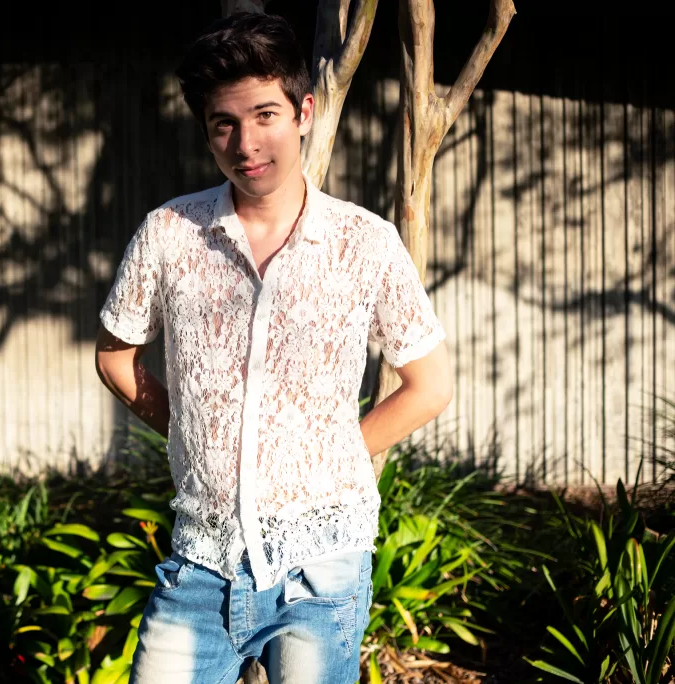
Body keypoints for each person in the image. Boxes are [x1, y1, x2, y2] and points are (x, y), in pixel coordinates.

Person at [94, 11, 452, 684]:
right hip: (200, 563)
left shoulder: (363, 242)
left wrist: (338, 450)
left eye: (265, 114)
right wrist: (196, 435)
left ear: (304, 112)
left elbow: (429, 385)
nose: (246, 142)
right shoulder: (169, 234)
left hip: (322, 572)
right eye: (223, 123)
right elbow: (115, 358)